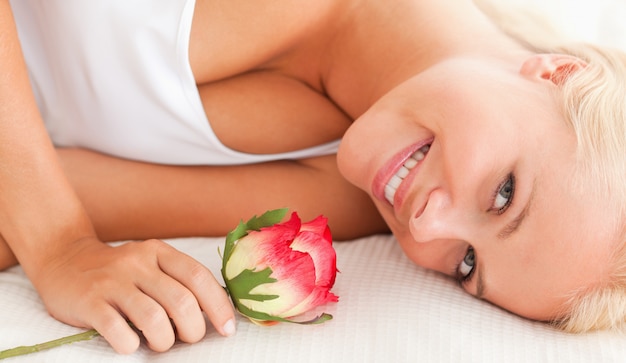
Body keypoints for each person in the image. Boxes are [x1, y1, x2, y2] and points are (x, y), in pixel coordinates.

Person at [0, 0, 624, 354]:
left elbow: (56, 193)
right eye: (503, 194)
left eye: (466, 264)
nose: (426, 225)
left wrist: (53, 234)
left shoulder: (349, 197)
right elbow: (43, 215)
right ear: (557, 74)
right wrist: (58, 246)